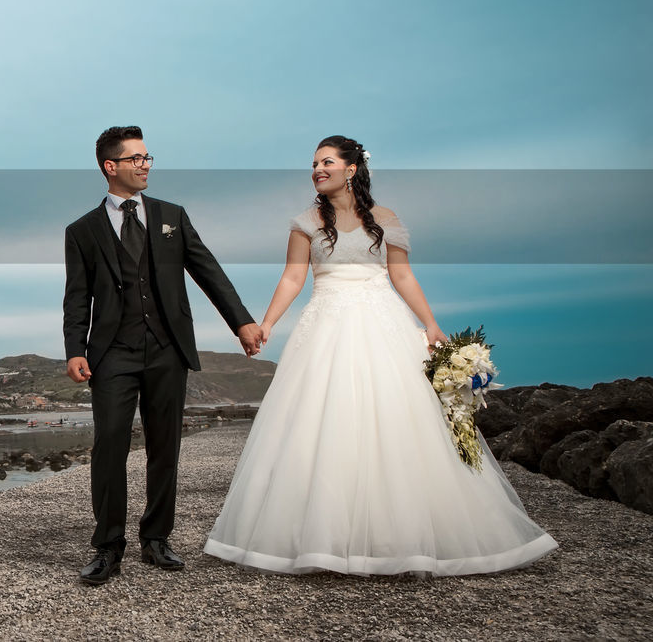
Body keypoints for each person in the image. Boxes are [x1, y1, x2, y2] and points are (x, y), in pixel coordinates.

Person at [203, 135, 557, 576]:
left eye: (327, 162)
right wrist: (268, 323)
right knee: (323, 420)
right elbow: (293, 278)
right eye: (314, 163)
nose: (317, 169)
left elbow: (403, 276)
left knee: (395, 419)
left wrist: (430, 324)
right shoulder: (305, 222)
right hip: (325, 324)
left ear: (352, 168)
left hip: (381, 322)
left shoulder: (386, 220)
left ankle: (398, 536)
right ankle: (323, 536)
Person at [64, 125, 263, 585]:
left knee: (164, 448)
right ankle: (108, 545)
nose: (145, 165)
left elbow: (207, 269)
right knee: (110, 445)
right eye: (135, 158)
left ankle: (156, 538)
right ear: (110, 166)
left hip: (168, 348)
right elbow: (77, 297)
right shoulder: (82, 231)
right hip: (112, 352)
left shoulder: (172, 215)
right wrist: (75, 349)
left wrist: (242, 322)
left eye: (148, 157)